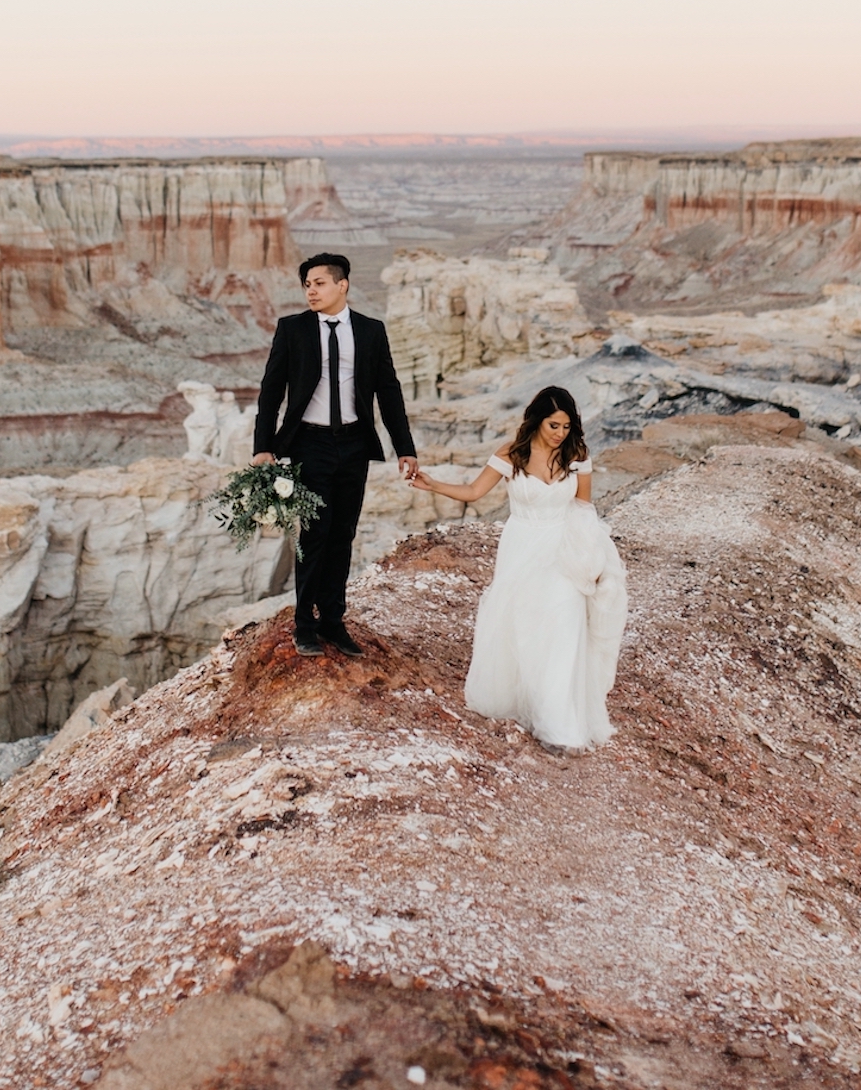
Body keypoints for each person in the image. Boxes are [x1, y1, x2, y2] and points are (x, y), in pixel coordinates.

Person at [410, 386, 627, 749]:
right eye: (554, 425)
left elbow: (584, 508)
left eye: (566, 426)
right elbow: (474, 492)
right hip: (522, 547)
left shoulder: (577, 455)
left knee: (562, 627)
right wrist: (433, 485)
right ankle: (524, 697)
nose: (560, 434)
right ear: (537, 420)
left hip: (563, 549)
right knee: (525, 626)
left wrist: (592, 557)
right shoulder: (511, 454)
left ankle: (560, 725)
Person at [252, 253, 418, 658]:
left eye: (319, 283)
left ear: (342, 285)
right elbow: (271, 391)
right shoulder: (292, 330)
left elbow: (388, 391)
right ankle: (304, 626)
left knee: (342, 533)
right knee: (314, 534)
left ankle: (333, 621)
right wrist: (263, 446)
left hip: (355, 444)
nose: (311, 290)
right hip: (309, 444)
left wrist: (405, 448)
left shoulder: (370, 331)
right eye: (307, 284)